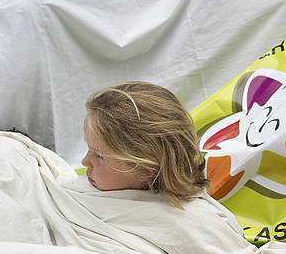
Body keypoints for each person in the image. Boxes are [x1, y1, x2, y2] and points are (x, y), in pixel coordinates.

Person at [81, 81, 209, 206]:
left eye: (99, 155)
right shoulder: (72, 196)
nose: (85, 162)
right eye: (89, 149)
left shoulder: (191, 223)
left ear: (147, 169)